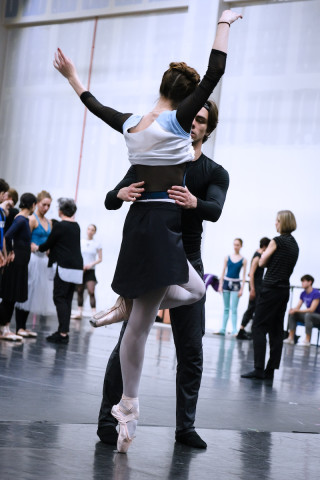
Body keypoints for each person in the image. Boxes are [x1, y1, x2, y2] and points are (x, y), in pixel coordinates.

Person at [54, 9, 242, 452]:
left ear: (160, 89)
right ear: (184, 100)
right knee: (173, 305)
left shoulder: (132, 124)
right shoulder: (178, 123)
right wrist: (226, 23)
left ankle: (127, 316)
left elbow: (93, 105)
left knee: (157, 311)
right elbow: (215, 70)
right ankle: (128, 405)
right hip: (161, 228)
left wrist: (72, 75)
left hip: (139, 228)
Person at [97, 99, 229, 449]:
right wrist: (118, 193)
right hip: (154, 262)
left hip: (187, 262)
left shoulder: (214, 172)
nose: (194, 124)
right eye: (192, 118)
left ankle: (185, 427)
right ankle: (106, 422)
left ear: (208, 129)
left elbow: (215, 209)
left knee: (191, 350)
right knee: (129, 339)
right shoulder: (156, 156)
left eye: (201, 121)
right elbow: (112, 198)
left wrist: (194, 203)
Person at [241, 210, 299, 380]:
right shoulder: (295, 245)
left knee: (258, 326)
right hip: (283, 291)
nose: (275, 223)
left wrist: (265, 257)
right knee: (275, 330)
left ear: (283, 223)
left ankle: (258, 368)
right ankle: (270, 370)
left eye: (277, 220)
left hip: (270, 289)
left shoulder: (277, 241)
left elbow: (262, 261)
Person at [35, 198, 83, 344]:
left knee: (59, 298)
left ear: (60, 211)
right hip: (76, 267)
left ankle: (62, 333)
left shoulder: (61, 226)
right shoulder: (76, 226)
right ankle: (63, 331)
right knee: (67, 300)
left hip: (65, 267)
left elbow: (49, 243)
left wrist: (37, 248)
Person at [15, 190, 55, 337]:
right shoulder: (32, 219)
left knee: (35, 294)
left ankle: (23, 327)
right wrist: (30, 246)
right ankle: (19, 326)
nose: (46, 208)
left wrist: (49, 249)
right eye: (44, 204)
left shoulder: (49, 222)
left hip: (43, 260)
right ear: (37, 204)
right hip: (32, 259)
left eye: (49, 205)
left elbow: (49, 241)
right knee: (28, 290)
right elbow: (24, 238)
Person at [0, 193, 37, 342]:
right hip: (17, 263)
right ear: (33, 205)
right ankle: (5, 329)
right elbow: (8, 235)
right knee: (10, 297)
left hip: (21, 263)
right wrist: (10, 252)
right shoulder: (21, 219)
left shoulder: (23, 219)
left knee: (12, 297)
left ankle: (5, 328)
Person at [236, 237, 270, 340]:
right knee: (251, 308)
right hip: (255, 286)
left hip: (258, 285)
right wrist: (252, 289)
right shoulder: (257, 257)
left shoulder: (258, 255)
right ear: (265, 246)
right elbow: (251, 274)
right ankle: (241, 330)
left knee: (255, 308)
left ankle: (247, 330)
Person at [216, 238, 247, 336]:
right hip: (226, 283)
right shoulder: (227, 257)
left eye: (237, 245)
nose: (235, 246)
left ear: (241, 246)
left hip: (236, 285)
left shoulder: (244, 260)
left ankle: (234, 330)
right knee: (226, 308)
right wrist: (220, 285)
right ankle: (223, 329)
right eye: (234, 244)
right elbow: (223, 271)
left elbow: (243, 276)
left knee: (234, 309)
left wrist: (242, 289)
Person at [71, 224, 102, 319]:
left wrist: (91, 264)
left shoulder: (97, 244)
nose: (90, 231)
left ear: (95, 232)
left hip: (90, 271)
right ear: (86, 230)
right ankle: (79, 312)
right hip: (81, 270)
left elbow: (100, 259)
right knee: (79, 291)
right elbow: (76, 255)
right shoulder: (80, 242)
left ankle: (94, 313)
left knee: (91, 291)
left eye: (92, 230)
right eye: (89, 229)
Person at [284, 274, 320, 347]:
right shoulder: (303, 293)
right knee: (292, 314)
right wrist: (293, 310)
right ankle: (290, 338)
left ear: (310, 282)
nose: (302, 283)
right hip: (309, 316)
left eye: (304, 281)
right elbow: (298, 307)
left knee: (308, 315)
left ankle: (307, 340)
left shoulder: (316, 293)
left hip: (317, 316)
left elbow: (311, 309)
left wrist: (296, 310)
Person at [0, 179, 10, 269]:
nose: (4, 197)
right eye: (3, 194)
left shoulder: (1, 212)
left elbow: (2, 235)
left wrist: (5, 254)